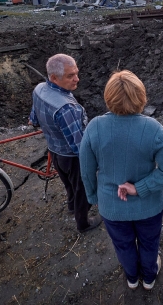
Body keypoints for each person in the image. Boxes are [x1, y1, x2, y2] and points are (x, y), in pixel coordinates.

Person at [79, 70, 163, 291]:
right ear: (141, 97)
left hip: (111, 206)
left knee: (123, 244)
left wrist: (94, 197)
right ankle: (149, 278)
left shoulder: (94, 127)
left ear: (108, 97)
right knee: (149, 242)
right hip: (149, 206)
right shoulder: (153, 128)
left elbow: (86, 170)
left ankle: (132, 278)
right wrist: (140, 188)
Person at [29, 53, 101, 233]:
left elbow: (34, 119)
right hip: (71, 157)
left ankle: (71, 206)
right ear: (54, 78)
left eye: (76, 73)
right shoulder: (66, 107)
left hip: (54, 150)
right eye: (70, 76)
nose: (77, 79)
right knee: (81, 189)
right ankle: (83, 223)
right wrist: (94, 162)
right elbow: (79, 146)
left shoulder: (39, 89)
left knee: (69, 184)